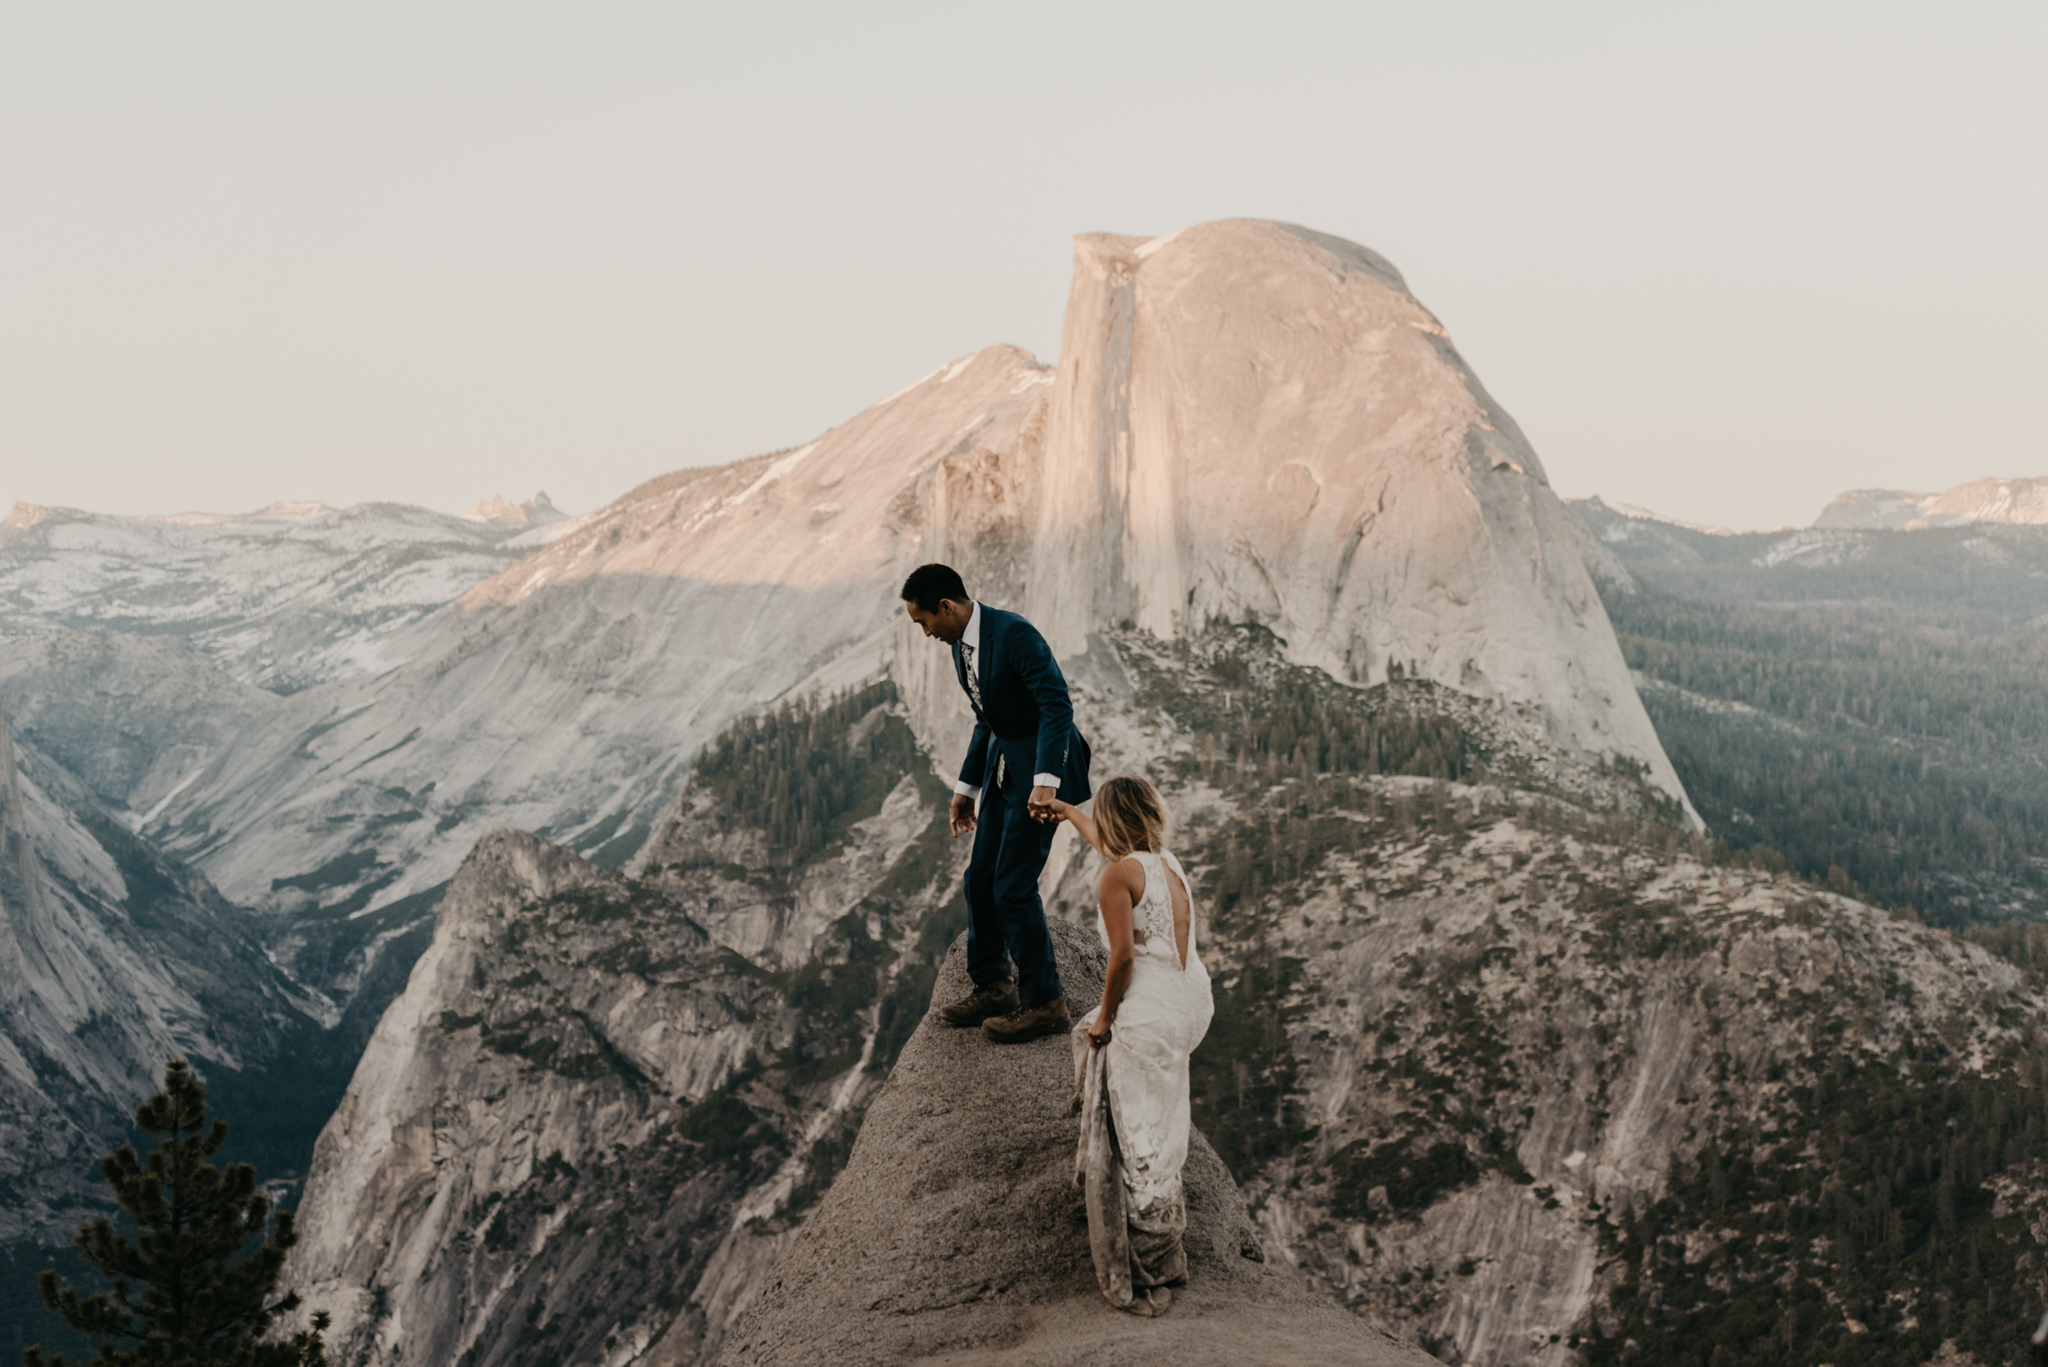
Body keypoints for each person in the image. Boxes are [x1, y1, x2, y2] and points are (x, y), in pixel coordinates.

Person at [901, 563, 1093, 1044]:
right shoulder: (961, 645)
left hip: (1041, 776)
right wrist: (965, 788)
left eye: (923, 622)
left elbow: (1056, 705)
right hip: (1004, 769)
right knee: (980, 877)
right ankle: (993, 986)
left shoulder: (1015, 635)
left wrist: (1046, 782)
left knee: (1012, 886)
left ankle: (1046, 1003)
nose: (925, 634)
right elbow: (987, 719)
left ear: (946, 607)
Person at [1046, 776, 1214, 1316]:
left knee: (1138, 1141)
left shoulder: (1114, 878)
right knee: (1165, 1127)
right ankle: (1166, 1252)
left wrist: (1105, 1022)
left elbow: (1121, 961)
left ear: (1115, 820)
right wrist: (1070, 813)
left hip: (1150, 1012)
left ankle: (1143, 1273)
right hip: (1189, 1001)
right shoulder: (1166, 863)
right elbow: (1116, 853)